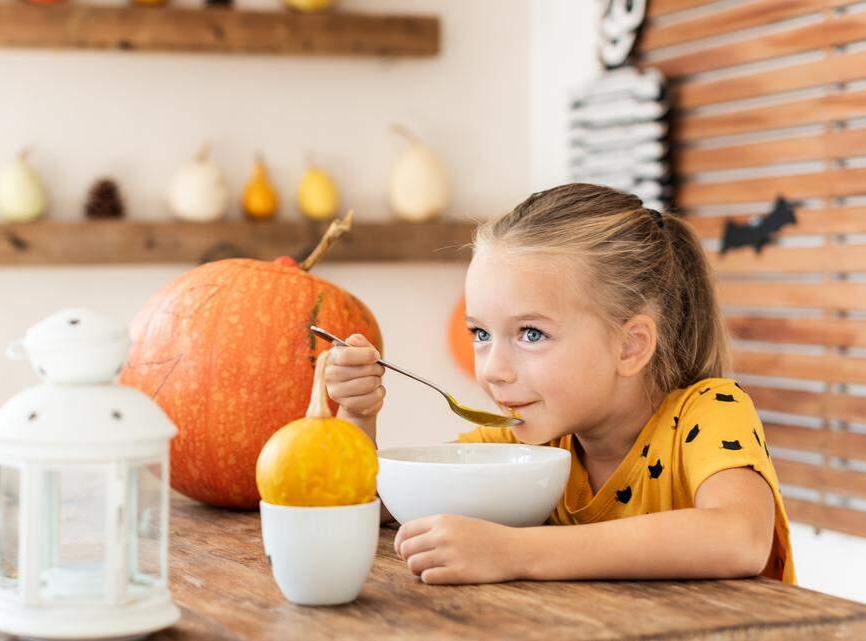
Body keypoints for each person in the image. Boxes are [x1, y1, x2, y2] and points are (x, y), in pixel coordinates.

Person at [324, 183, 794, 585]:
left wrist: (515, 552)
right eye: (481, 334)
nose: (491, 369)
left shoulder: (709, 412)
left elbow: (739, 538)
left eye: (532, 334)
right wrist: (357, 415)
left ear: (630, 346)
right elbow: (373, 506)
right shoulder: (522, 441)